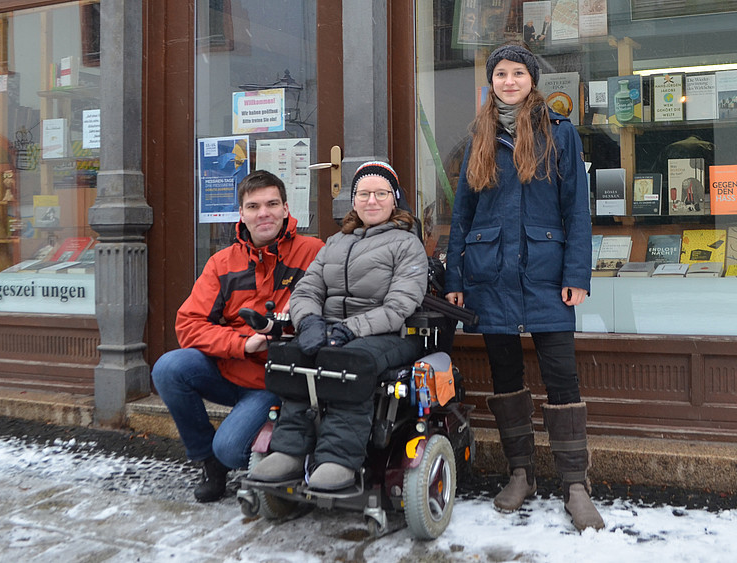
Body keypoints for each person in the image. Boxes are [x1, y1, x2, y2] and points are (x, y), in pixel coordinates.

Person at [444, 43, 604, 532]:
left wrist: (577, 275)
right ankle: (521, 474)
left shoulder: (560, 134)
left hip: (546, 276)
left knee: (562, 379)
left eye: (517, 73)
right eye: (500, 74)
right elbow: (462, 214)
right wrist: (455, 277)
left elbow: (577, 209)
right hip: (490, 276)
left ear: (532, 80)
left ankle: (575, 484)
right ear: (490, 82)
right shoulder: (479, 137)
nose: (508, 81)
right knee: (506, 378)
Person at [250, 161, 428, 491]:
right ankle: (290, 450)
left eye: (380, 193)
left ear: (395, 199)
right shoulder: (335, 242)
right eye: (363, 193)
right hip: (331, 328)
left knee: (349, 361)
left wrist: (351, 329)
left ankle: (338, 459)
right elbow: (307, 290)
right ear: (353, 200)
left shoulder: (407, 244)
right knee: (294, 354)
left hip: (387, 334)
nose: (371, 201)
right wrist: (310, 322)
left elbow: (399, 306)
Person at [152, 170, 324, 502]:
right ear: (241, 214)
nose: (264, 213)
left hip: (274, 382)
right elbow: (188, 324)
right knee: (168, 368)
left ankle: (258, 455)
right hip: (230, 368)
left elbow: (321, 315)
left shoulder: (312, 253)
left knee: (231, 450)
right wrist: (242, 344)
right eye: (254, 206)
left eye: (273, 204)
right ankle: (207, 460)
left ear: (286, 208)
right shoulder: (222, 263)